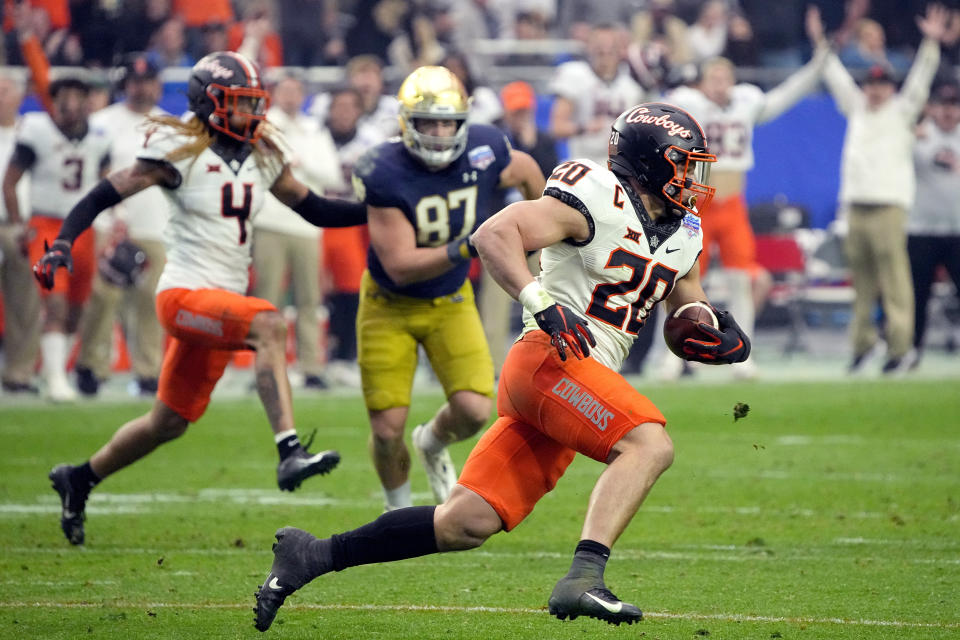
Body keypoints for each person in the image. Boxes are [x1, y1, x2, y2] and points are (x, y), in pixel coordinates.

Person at [252, 102, 751, 632]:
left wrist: (708, 326)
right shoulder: (596, 195)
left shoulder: (684, 231)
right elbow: (494, 234)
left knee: (463, 523)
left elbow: (683, 301)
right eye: (682, 163)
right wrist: (539, 299)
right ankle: (584, 576)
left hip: (583, 379)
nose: (692, 178)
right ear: (648, 161)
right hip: (550, 359)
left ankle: (312, 556)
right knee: (650, 444)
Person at [33, 51, 368, 546]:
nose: (250, 114)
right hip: (185, 295)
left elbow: (314, 208)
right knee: (271, 325)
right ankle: (289, 450)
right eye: (239, 103)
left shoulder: (260, 150)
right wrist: (64, 240)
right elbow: (107, 193)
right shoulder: (180, 148)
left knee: (167, 422)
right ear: (209, 103)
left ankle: (79, 478)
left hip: (222, 304)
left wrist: (373, 208)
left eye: (255, 103)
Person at [349, 65, 545, 510]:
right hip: (388, 305)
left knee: (475, 410)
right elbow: (400, 266)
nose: (439, 133)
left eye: (447, 122)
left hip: (451, 300)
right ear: (406, 122)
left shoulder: (484, 146)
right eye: (428, 122)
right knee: (385, 428)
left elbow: (529, 170)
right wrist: (468, 246)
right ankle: (396, 510)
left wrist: (541, 233)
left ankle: (432, 440)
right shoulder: (382, 168)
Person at [663, 6, 830, 379]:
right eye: (714, 76)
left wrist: (818, 66)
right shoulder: (688, 104)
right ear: (702, 81)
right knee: (682, 280)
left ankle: (743, 352)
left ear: (733, 78)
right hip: (696, 206)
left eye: (725, 76)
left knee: (743, 278)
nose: (720, 82)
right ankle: (673, 356)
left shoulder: (746, 100)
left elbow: (784, 97)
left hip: (733, 204)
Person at [822, 4, 952, 374]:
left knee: (895, 282)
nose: (875, 91)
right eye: (871, 85)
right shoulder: (858, 109)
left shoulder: (903, 110)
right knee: (861, 285)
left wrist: (930, 43)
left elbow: (922, 79)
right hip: (857, 207)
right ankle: (862, 347)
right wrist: (821, 45)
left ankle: (900, 348)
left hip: (889, 207)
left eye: (881, 85)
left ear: (891, 88)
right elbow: (835, 76)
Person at [2, 75, 112, 402]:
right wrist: (21, 223)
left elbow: (107, 186)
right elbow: (10, 182)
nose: (72, 103)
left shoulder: (100, 137)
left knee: (77, 308)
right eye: (66, 95)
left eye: (79, 95)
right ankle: (55, 381)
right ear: (54, 99)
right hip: (47, 224)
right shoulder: (36, 130)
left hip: (84, 228)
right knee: (55, 303)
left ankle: (57, 371)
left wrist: (115, 221)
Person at [73, 53, 170, 397]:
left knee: (151, 300)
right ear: (125, 84)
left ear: (157, 84)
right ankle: (91, 366)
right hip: (108, 223)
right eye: (135, 81)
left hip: (156, 222)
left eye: (147, 81)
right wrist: (114, 217)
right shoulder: (103, 122)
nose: (141, 88)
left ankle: (148, 370)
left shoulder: (170, 126)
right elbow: (93, 173)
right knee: (103, 297)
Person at [252, 72, 344, 389]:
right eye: (285, 91)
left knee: (309, 299)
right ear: (276, 94)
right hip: (271, 222)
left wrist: (298, 163)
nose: (291, 97)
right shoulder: (263, 127)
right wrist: (297, 164)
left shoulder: (314, 129)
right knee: (267, 300)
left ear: (302, 94)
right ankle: (265, 366)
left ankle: (311, 366)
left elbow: (333, 175)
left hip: (307, 226)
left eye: (296, 91)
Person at [321, 86, 382, 387]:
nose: (344, 112)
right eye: (339, 106)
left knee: (351, 289)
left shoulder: (371, 139)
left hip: (351, 220)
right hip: (314, 218)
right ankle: (316, 357)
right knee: (312, 290)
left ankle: (345, 354)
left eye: (350, 106)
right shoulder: (313, 135)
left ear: (359, 110)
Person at [908, 80, 960, 367]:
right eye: (944, 105)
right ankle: (912, 351)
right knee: (918, 297)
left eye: (954, 105)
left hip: (956, 230)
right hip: (921, 230)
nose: (949, 112)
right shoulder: (920, 135)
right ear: (934, 108)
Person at [549, 23, 645, 165]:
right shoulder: (575, 74)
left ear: (621, 49)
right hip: (582, 164)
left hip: (619, 166)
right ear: (589, 47)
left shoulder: (631, 86)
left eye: (611, 48)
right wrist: (584, 128)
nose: (605, 52)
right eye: (600, 48)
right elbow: (556, 128)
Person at [0, 71, 41, 395]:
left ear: (18, 95)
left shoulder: (33, 131)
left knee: (25, 303)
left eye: (4, 90)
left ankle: (19, 373)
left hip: (22, 224)